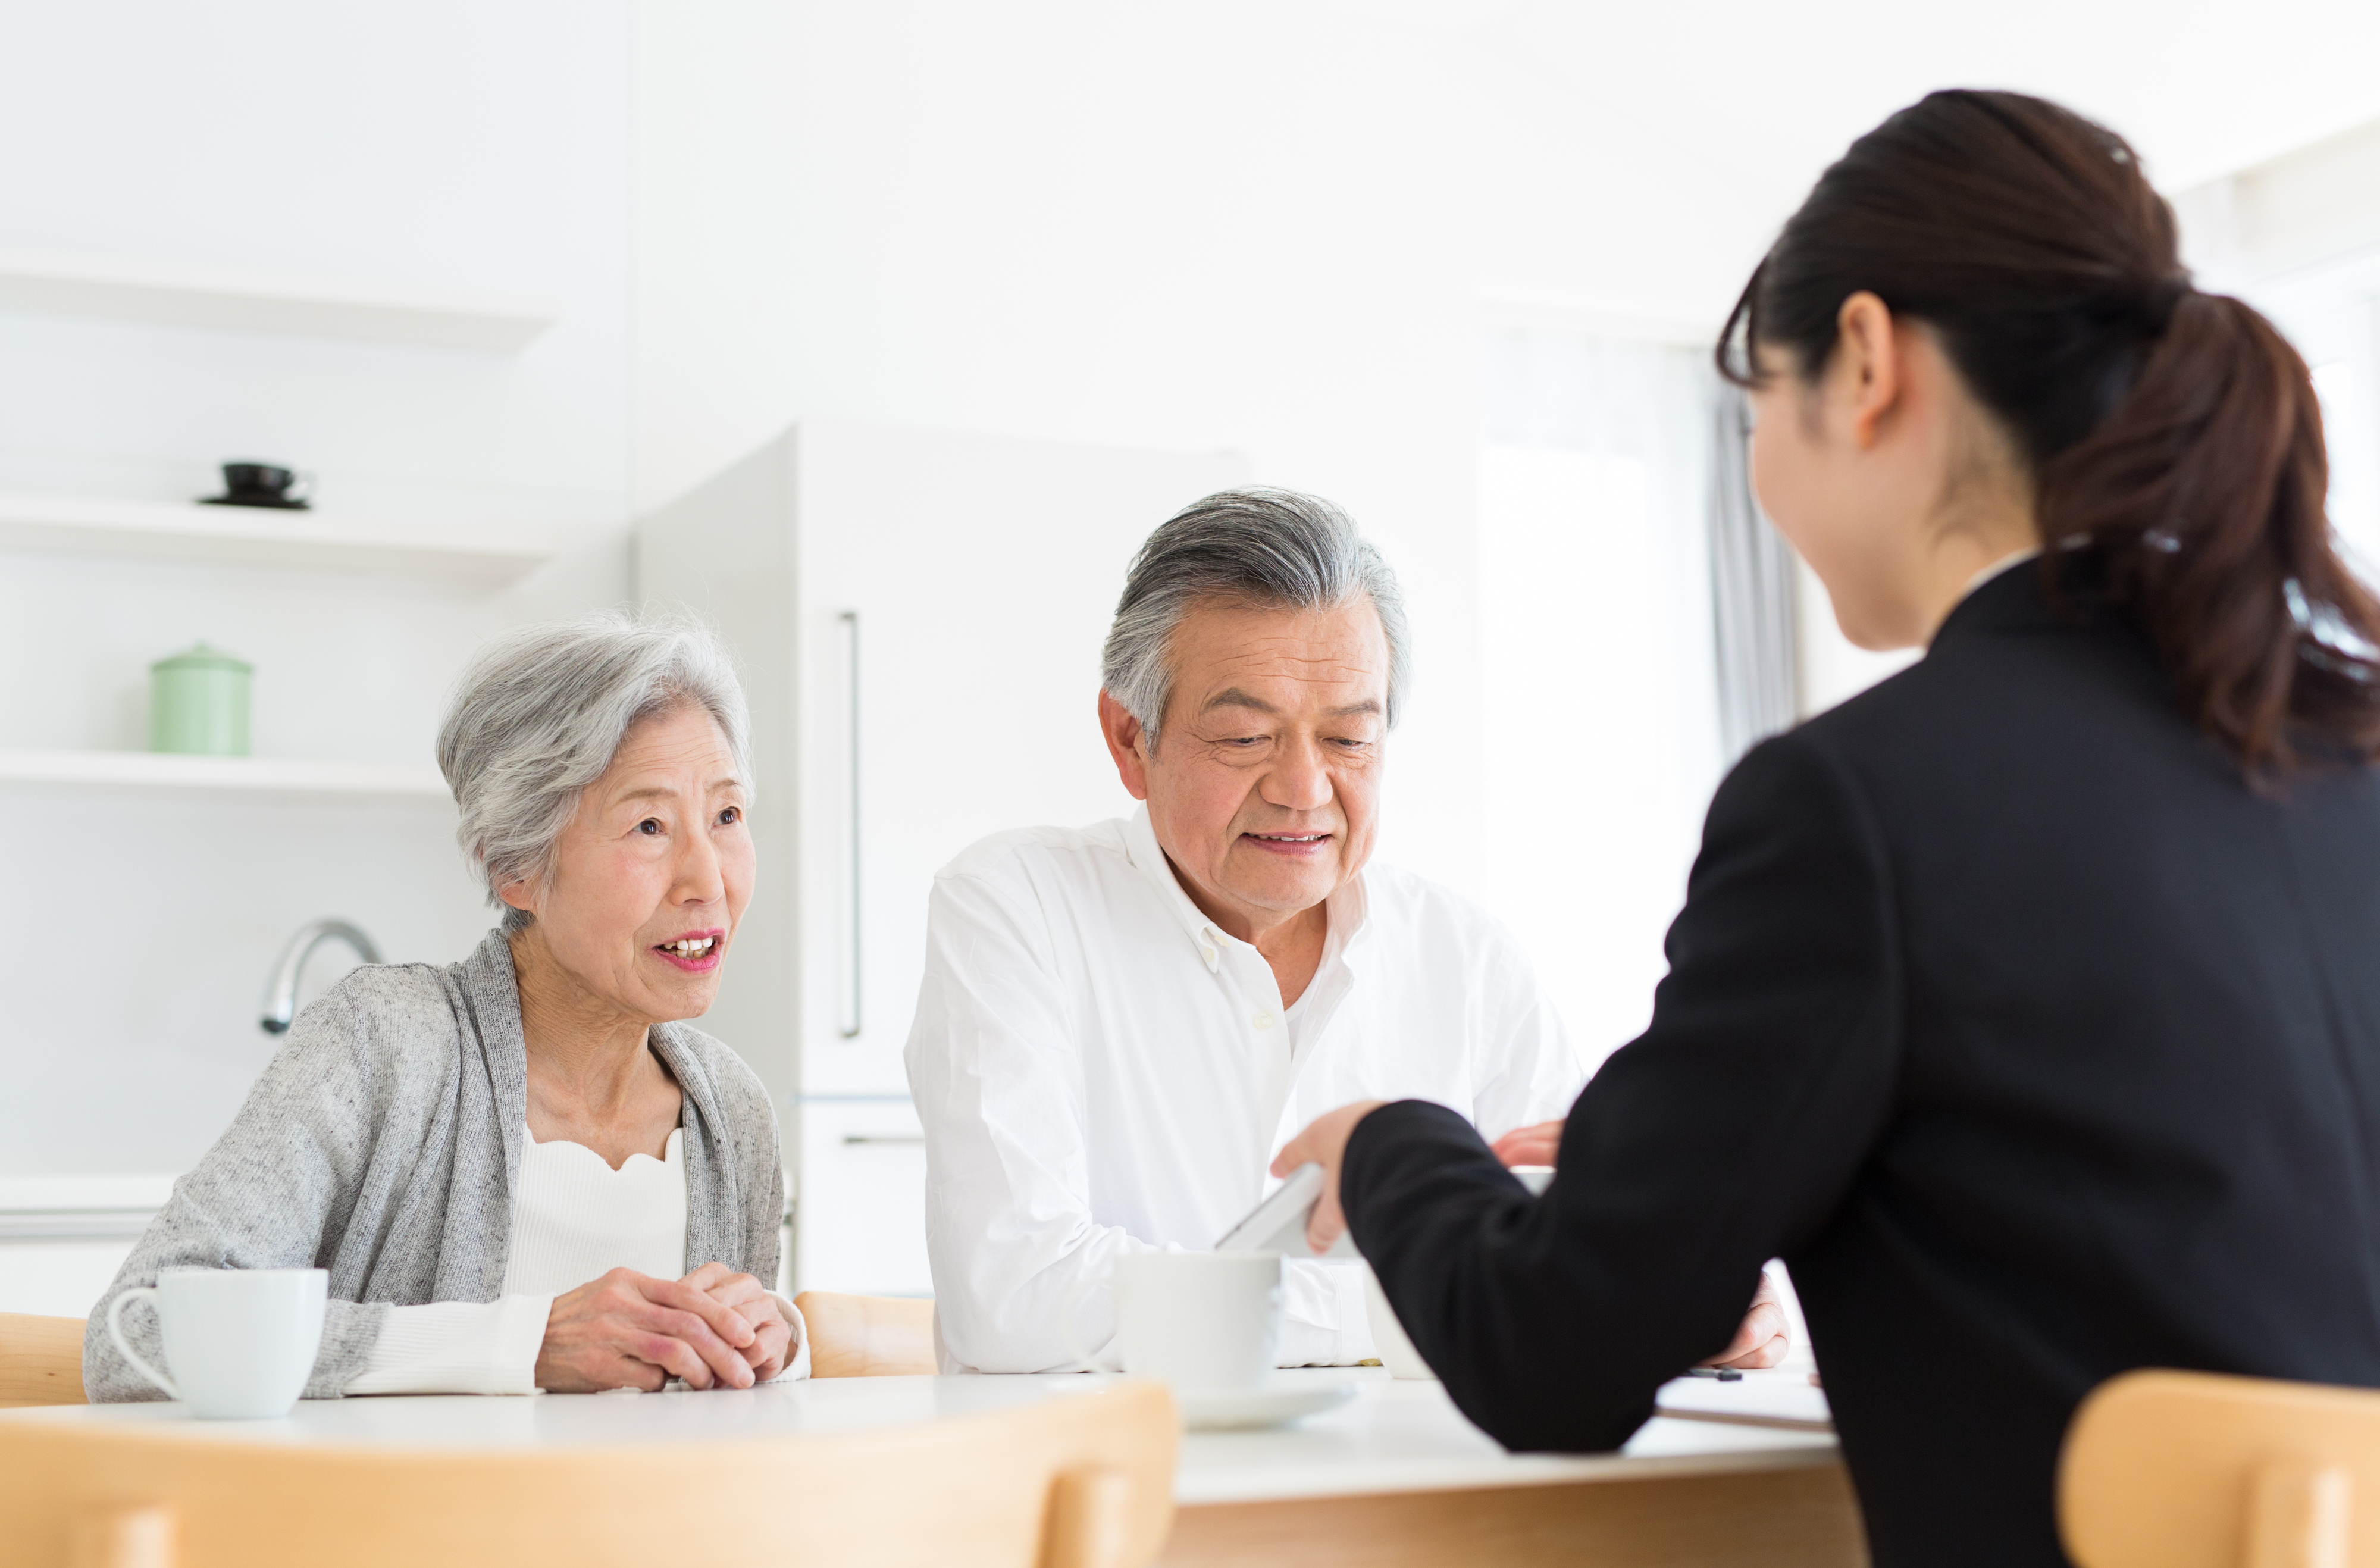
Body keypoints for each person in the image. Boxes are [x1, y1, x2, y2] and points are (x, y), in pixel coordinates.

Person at [1276, 89, 2380, 1568]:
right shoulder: (2339, 758)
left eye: (1753, 406)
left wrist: (1385, 1144)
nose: (1758, 471)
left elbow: (1557, 1350)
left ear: (1862, 362)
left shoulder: (1857, 809)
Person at [905, 489, 1788, 1373]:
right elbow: (1016, 1299)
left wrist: (1704, 1294)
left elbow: (1595, 1252)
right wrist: (1449, 1294)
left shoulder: (1465, 958)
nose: (1303, 787)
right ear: (1131, 740)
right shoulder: (1015, 906)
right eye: (1247, 737)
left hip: (1422, 1496)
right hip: (1117, 1495)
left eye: (1349, 739)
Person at [86, 613, 806, 1400]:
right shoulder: (385, 1043)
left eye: (728, 817)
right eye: (649, 826)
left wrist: (774, 1343)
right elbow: (139, 1331)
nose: (709, 879)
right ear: (514, 867)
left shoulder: (730, 1112)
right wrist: (523, 1345)